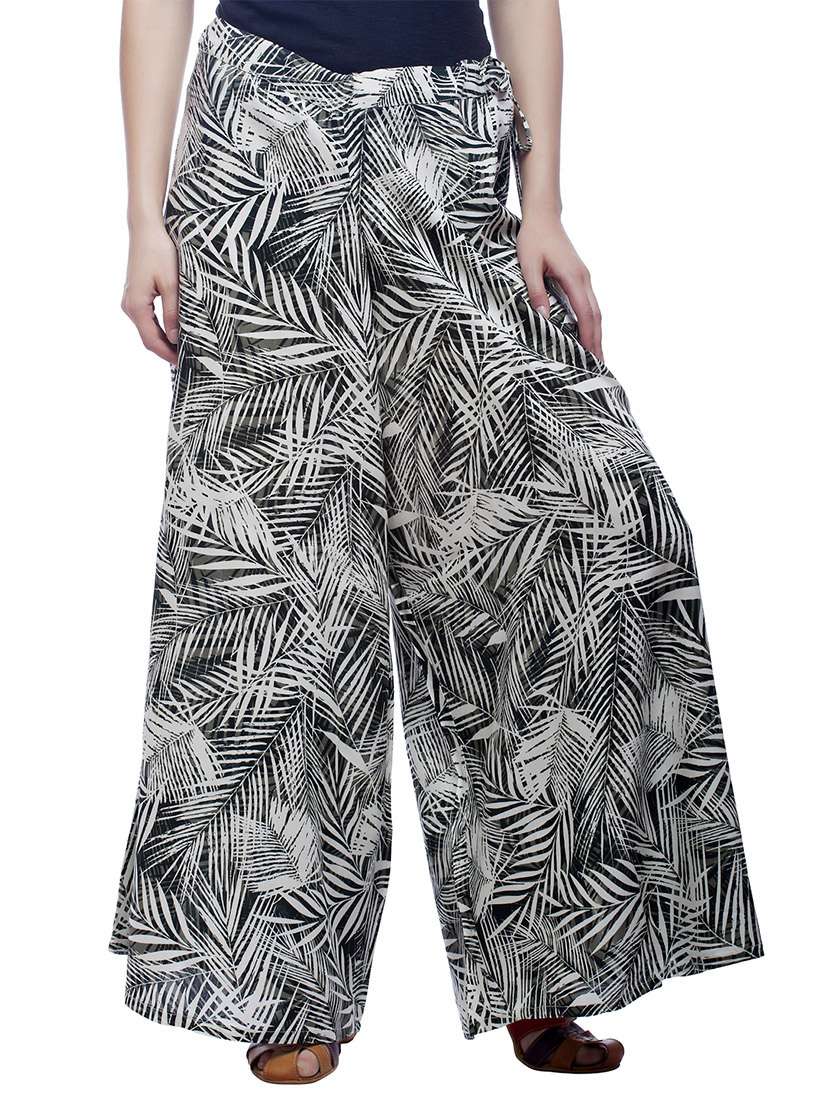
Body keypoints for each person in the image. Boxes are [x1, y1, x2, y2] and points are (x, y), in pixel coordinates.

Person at [112, 0, 763, 1083]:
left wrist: (542, 202)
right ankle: (281, 982)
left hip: (448, 142)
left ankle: (551, 960)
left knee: (558, 539)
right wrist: (144, 217)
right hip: (261, 141)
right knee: (283, 583)